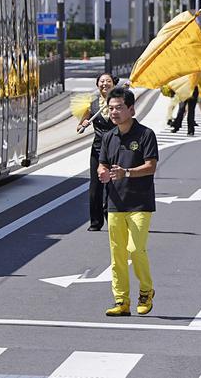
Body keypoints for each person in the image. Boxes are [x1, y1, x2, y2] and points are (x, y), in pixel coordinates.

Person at [98, 86, 158, 317]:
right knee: (118, 254)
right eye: (111, 108)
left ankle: (146, 291)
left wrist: (128, 173)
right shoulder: (108, 136)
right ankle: (121, 300)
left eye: (119, 107)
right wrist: (102, 172)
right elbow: (102, 163)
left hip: (140, 203)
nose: (114, 112)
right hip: (115, 202)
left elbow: (151, 166)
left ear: (131, 109)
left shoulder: (145, 134)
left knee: (136, 249)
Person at [77, 73, 116, 231]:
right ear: (97, 84)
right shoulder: (92, 103)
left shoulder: (118, 101)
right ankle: (95, 222)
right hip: (98, 149)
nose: (105, 84)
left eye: (108, 81)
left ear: (113, 84)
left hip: (116, 149)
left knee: (113, 185)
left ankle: (112, 218)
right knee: (95, 186)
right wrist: (84, 124)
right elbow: (79, 128)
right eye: (102, 81)